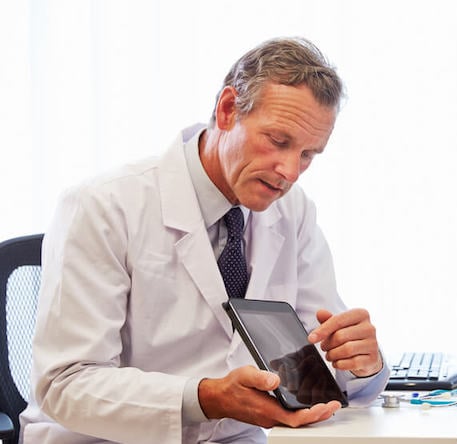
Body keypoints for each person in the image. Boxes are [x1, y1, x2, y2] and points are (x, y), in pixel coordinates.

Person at [20, 37, 389, 444]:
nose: (290, 171)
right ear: (228, 110)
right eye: (278, 141)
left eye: (308, 155)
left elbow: (314, 368)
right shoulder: (103, 205)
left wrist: (360, 364)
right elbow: (64, 386)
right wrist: (206, 398)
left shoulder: (293, 211)